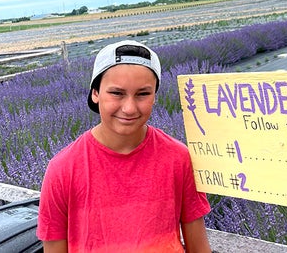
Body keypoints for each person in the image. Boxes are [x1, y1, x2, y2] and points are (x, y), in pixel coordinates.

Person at [37, 40, 212, 253]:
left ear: (155, 97)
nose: (129, 108)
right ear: (95, 93)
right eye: (117, 93)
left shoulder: (178, 157)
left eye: (143, 94)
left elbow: (199, 246)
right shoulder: (63, 169)